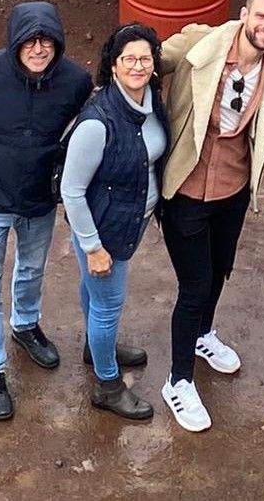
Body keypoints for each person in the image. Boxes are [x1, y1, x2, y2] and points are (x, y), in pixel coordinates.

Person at [0, 2, 93, 421]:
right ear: (15, 41)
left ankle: (26, 325)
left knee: (31, 270)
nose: (38, 48)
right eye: (29, 39)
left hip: (38, 200)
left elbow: (79, 129)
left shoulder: (76, 81)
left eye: (47, 39)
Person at [158, 0, 264, 432]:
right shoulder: (201, 42)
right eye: (261, 17)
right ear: (244, 13)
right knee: (194, 285)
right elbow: (145, 60)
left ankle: (202, 336)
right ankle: (177, 382)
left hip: (233, 190)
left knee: (219, 271)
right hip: (185, 189)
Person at [60, 22, 169, 422]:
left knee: (96, 295)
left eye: (145, 58)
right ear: (114, 65)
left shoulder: (150, 100)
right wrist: (93, 247)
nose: (138, 66)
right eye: (129, 59)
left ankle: (96, 347)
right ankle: (107, 385)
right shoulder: (97, 122)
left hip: (130, 219)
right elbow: (72, 191)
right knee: (108, 305)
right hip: (104, 229)